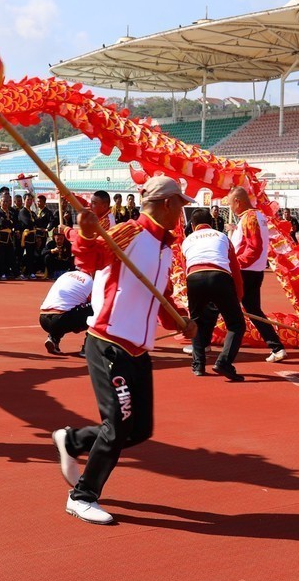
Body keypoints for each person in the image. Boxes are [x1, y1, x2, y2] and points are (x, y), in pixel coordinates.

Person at [51, 176, 196, 525]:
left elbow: (161, 298)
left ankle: (72, 441)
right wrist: (85, 233)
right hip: (110, 342)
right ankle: (82, 495)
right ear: (165, 203)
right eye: (180, 204)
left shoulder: (164, 247)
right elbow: (91, 260)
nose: (182, 211)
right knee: (117, 425)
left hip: (138, 350)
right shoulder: (130, 232)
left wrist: (181, 321)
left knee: (140, 429)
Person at [182, 208, 245, 381]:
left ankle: (198, 365)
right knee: (236, 324)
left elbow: (184, 269)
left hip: (194, 278)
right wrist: (238, 296)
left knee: (196, 323)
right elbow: (235, 269)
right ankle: (224, 362)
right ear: (211, 222)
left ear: (193, 225)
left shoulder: (187, 240)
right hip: (220, 277)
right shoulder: (222, 236)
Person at [227, 187, 287, 362]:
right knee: (253, 310)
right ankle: (276, 347)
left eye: (231, 204)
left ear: (238, 201)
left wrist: (234, 265)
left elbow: (254, 248)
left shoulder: (251, 218)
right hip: (254, 271)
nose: (230, 208)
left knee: (217, 304)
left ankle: (202, 343)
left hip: (244, 271)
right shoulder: (256, 216)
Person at [39, 269, 93, 354]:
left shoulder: (66, 274)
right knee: (97, 308)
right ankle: (88, 349)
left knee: (67, 307)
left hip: (43, 318)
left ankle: (53, 339)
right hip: (61, 319)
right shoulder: (91, 281)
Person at [0, 191, 19, 280]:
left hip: (9, 237)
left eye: (7, 202)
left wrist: (10, 224)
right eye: (3, 202)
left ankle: (15, 274)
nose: (5, 203)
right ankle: (2, 273)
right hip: (1, 237)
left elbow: (14, 223)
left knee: (11, 256)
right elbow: (1, 222)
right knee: (1, 257)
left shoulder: (10, 213)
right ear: (0, 203)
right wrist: (9, 223)